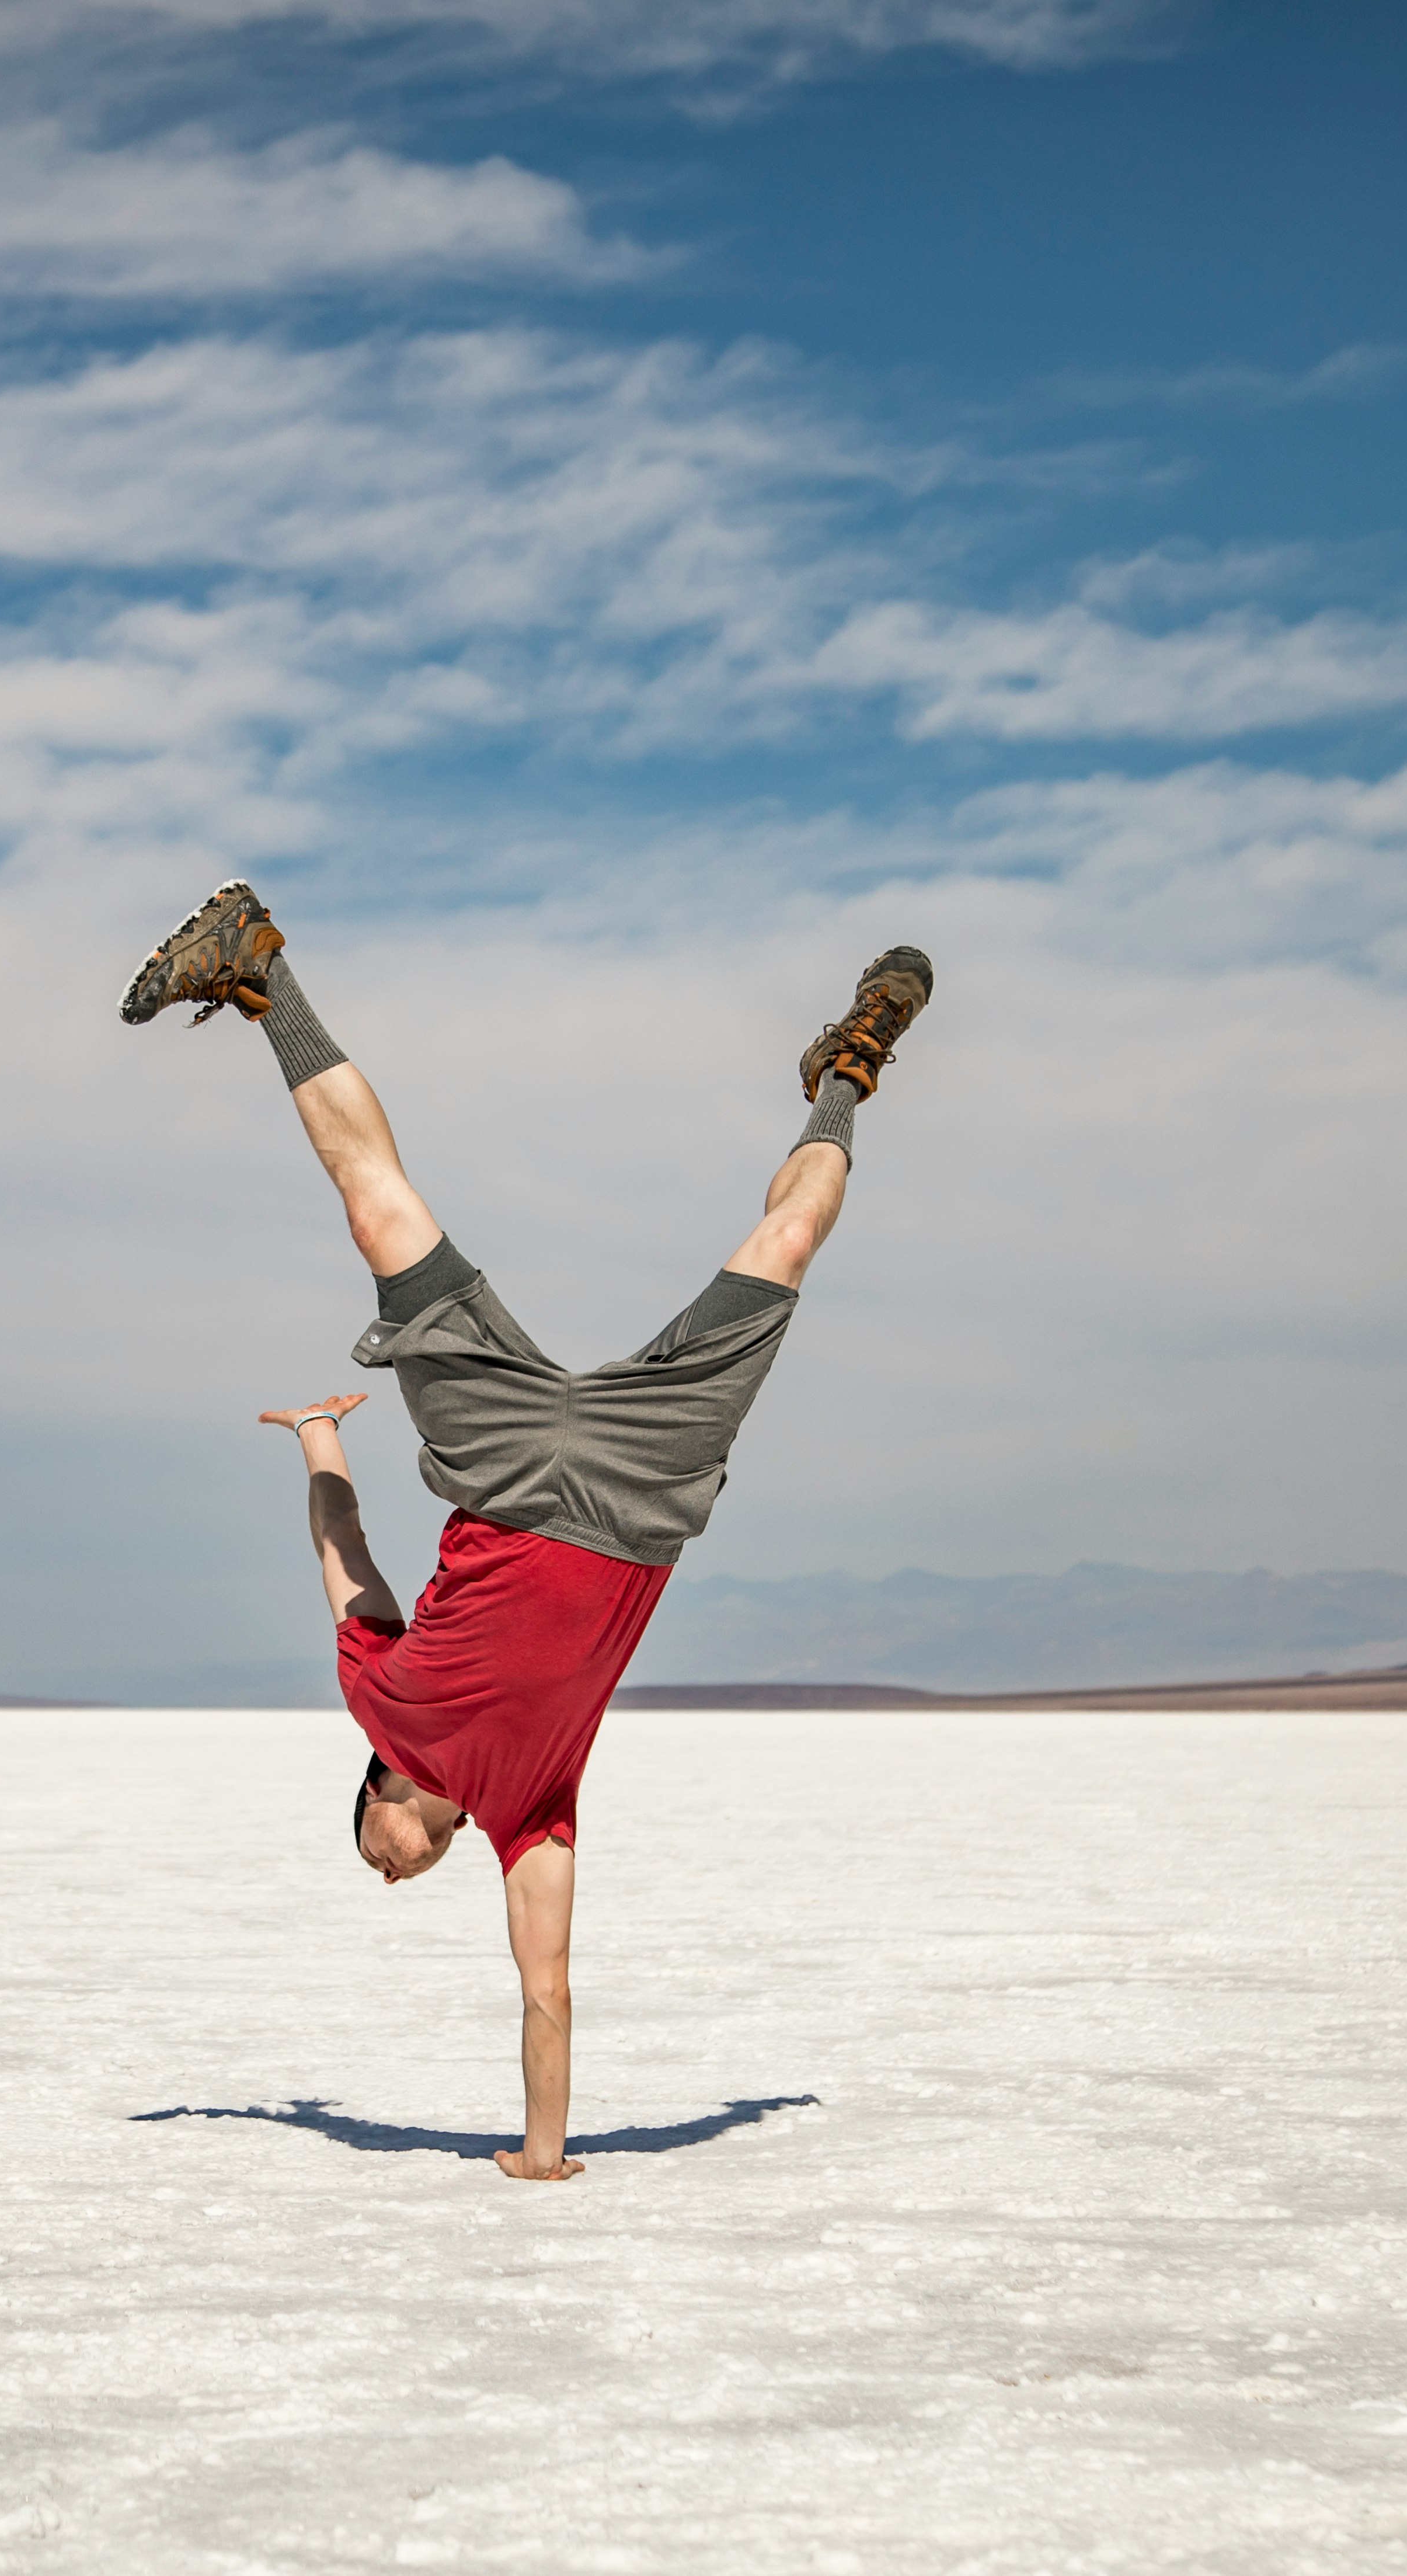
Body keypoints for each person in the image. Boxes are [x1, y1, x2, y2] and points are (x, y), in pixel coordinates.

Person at [119, 880, 931, 2180]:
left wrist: (322, 1443)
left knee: (378, 1207)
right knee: (789, 1237)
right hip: (635, 1491)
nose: (393, 1880)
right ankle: (848, 1070)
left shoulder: (377, 1702)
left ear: (381, 1803)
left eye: (376, 1863)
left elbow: (352, 1562)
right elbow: (545, 1992)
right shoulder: (533, 1819)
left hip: (501, 1472)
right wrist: (539, 2155)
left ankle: (257, 971)